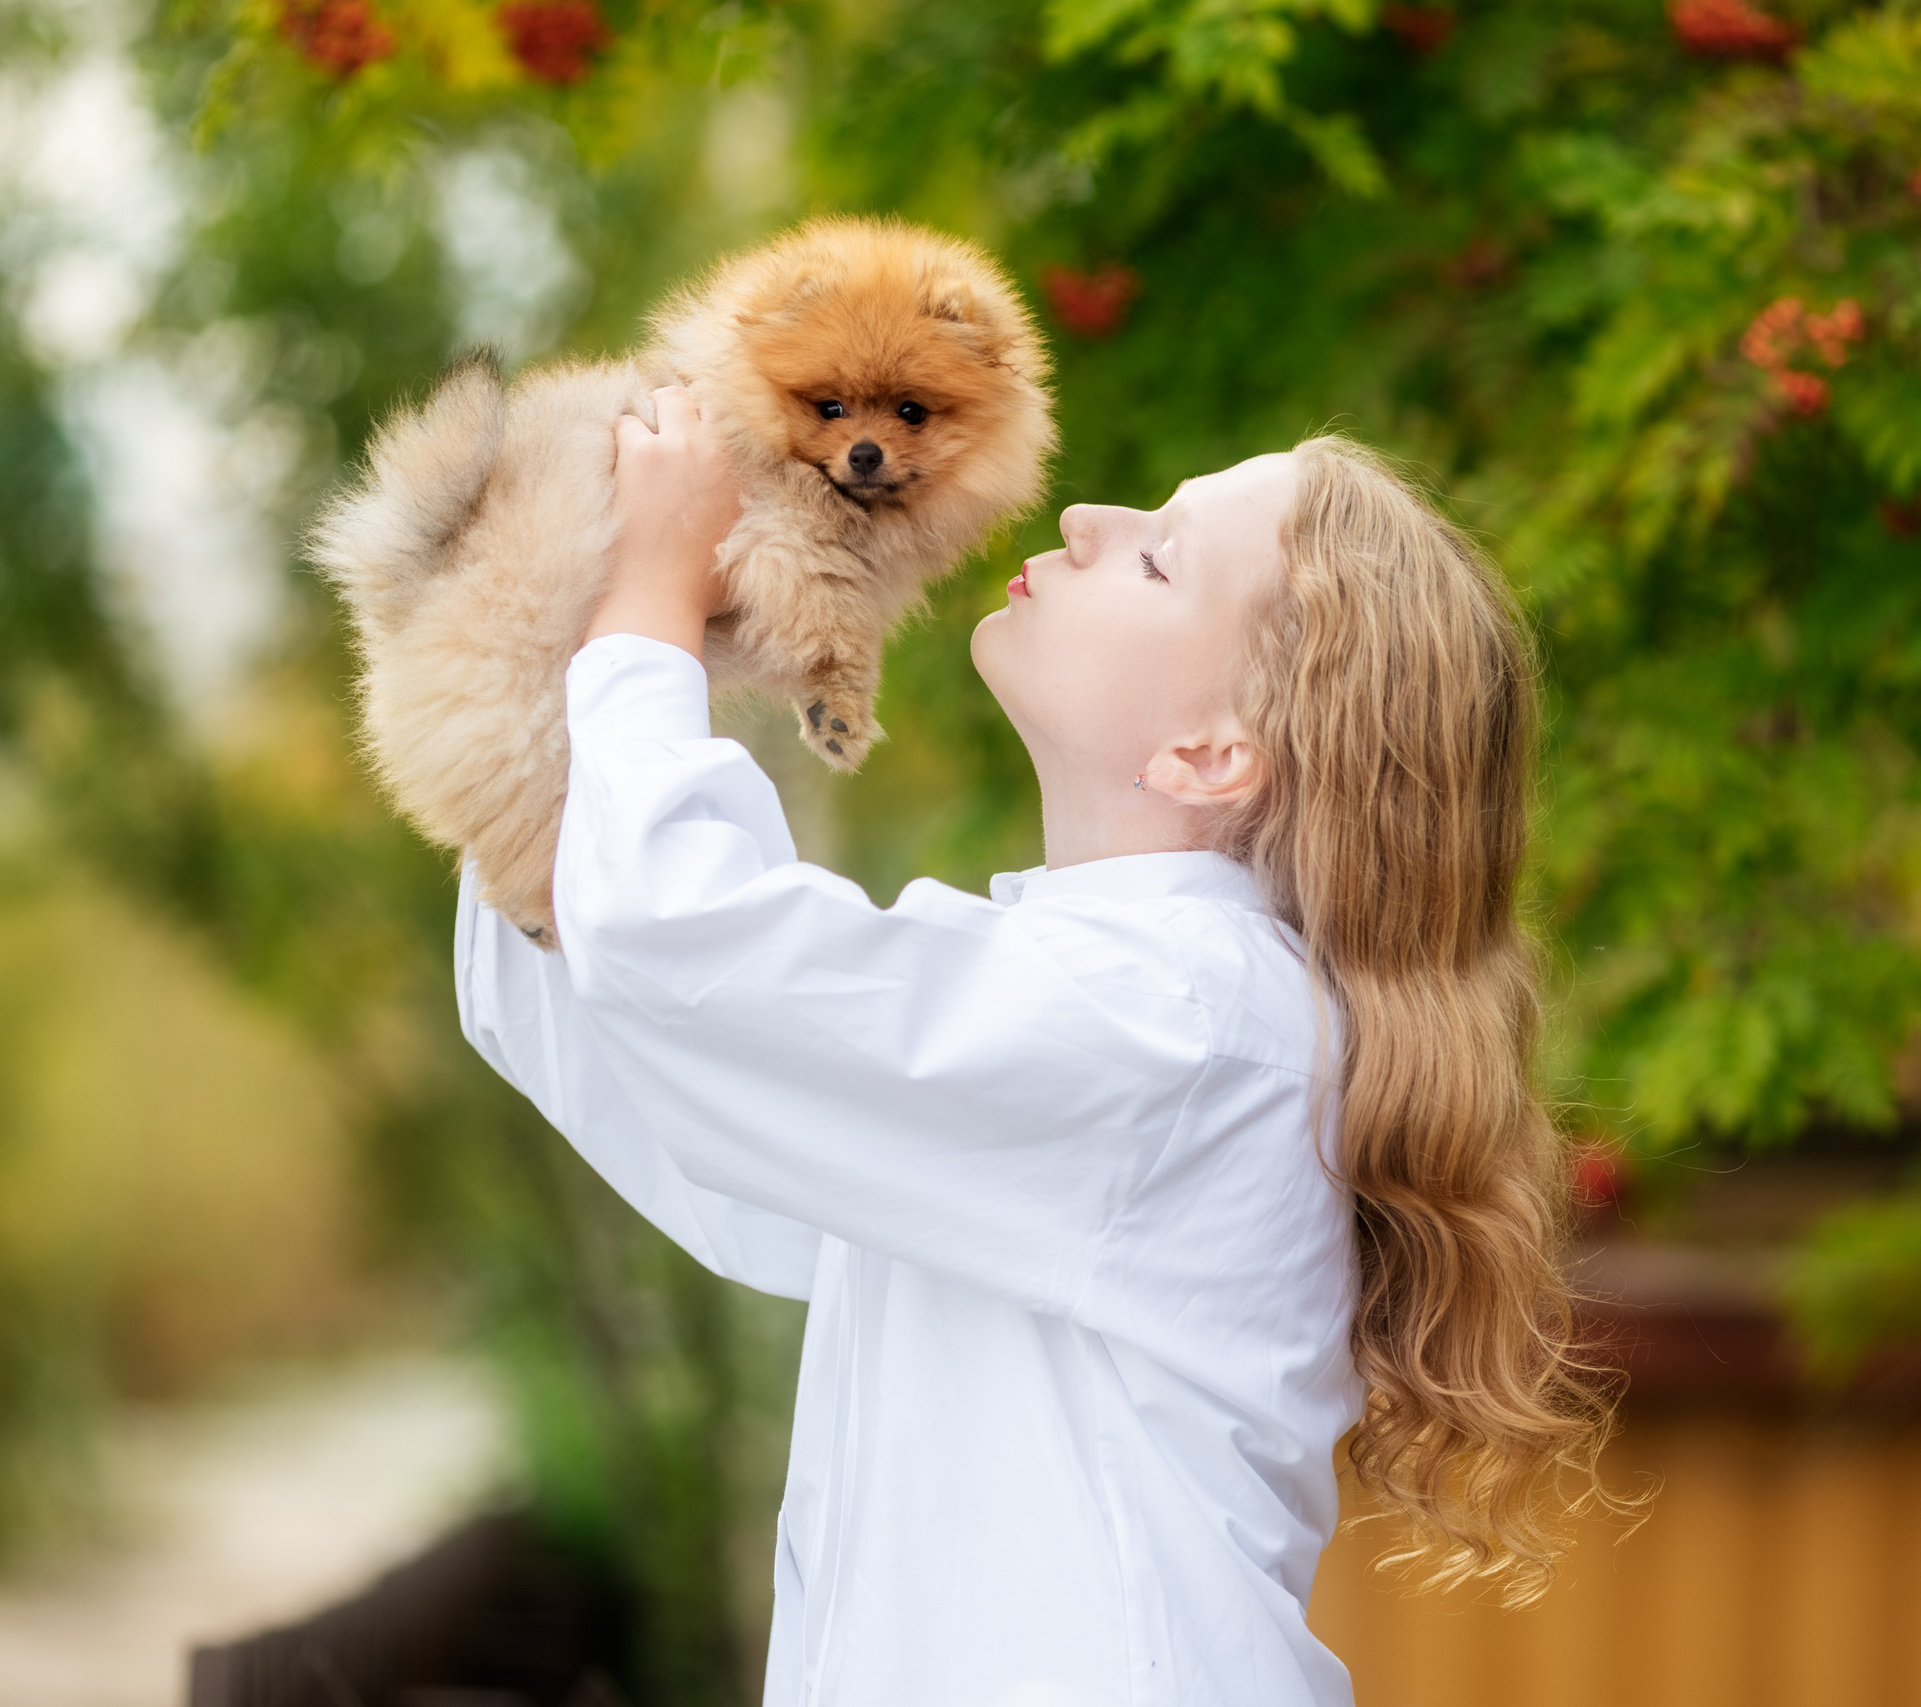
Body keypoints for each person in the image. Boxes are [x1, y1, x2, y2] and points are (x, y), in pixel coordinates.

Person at [455, 388, 1606, 1707]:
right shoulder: (1128, 1005)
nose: (1086, 515)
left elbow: (696, 959)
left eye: (1162, 554)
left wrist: (648, 613)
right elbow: (715, 1112)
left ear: (1211, 751)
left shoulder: (1179, 1024)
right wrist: (588, 662)